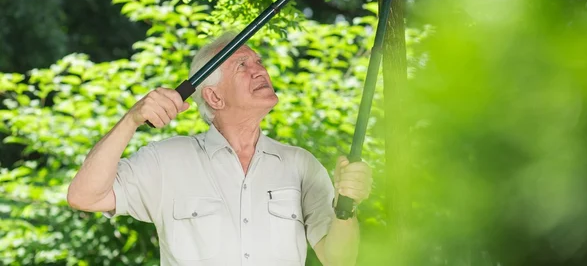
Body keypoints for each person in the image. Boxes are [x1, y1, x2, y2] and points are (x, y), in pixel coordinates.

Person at [67, 31, 372, 266]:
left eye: (259, 62)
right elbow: (84, 196)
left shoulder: (300, 164)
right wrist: (132, 119)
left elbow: (339, 260)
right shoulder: (167, 161)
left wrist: (347, 206)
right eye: (242, 65)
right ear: (213, 98)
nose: (260, 71)